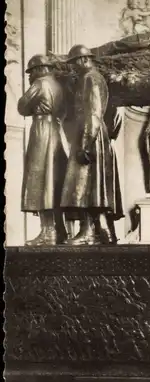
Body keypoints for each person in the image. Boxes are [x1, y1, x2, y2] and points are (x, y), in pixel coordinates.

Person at [60, 45, 123, 245]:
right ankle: (103, 232)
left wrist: (85, 144)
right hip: (93, 132)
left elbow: (93, 113)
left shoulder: (90, 79)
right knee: (93, 186)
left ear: (83, 60)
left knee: (84, 184)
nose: (72, 68)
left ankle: (87, 232)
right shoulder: (91, 78)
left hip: (90, 133)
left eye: (74, 63)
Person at [17, 54, 68, 246]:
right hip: (56, 130)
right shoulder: (58, 84)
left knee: (40, 179)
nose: (30, 76)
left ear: (39, 69)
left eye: (31, 72)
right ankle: (60, 230)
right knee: (54, 181)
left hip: (41, 130)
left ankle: (48, 231)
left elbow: (22, 106)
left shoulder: (40, 84)